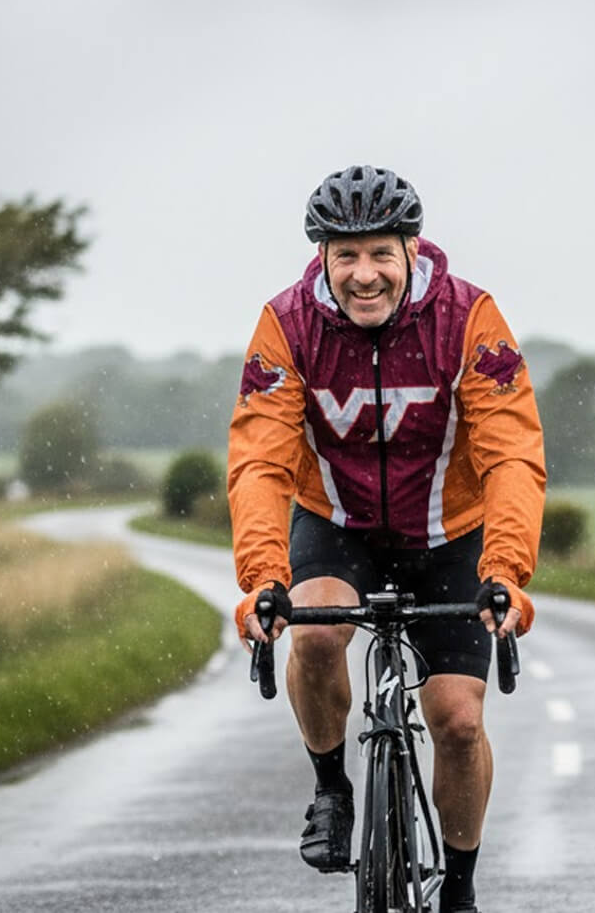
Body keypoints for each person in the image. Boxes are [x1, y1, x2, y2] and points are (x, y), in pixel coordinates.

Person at [228, 166, 545, 913]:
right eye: (346, 255)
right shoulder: (287, 326)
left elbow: (510, 454)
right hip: (336, 523)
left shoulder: (468, 319)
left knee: (458, 721)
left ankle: (458, 889)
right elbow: (260, 461)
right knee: (315, 635)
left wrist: (504, 571)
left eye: (380, 253)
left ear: (411, 250)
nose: (363, 274)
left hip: (449, 534)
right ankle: (332, 788)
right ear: (323, 258)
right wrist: (264, 579)